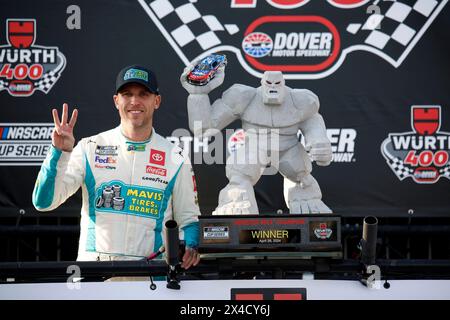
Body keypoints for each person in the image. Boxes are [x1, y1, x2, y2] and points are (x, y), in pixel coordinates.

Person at [32, 65, 200, 270]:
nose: (134, 101)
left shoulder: (176, 157)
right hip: (95, 275)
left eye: (143, 94)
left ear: (156, 101)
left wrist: (190, 246)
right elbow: (43, 202)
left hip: (150, 275)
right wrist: (58, 153)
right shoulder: (90, 147)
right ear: (116, 101)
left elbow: (189, 221)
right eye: (127, 94)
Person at [180, 65, 332, 215]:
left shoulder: (300, 100)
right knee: (240, 179)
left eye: (277, 83)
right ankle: (235, 201)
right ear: (262, 83)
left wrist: (319, 141)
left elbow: (312, 120)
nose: (273, 87)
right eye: (269, 83)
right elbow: (204, 129)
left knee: (301, 178)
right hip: (255, 145)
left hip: (289, 147)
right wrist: (198, 95)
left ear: (283, 83)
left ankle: (306, 196)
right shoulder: (244, 97)